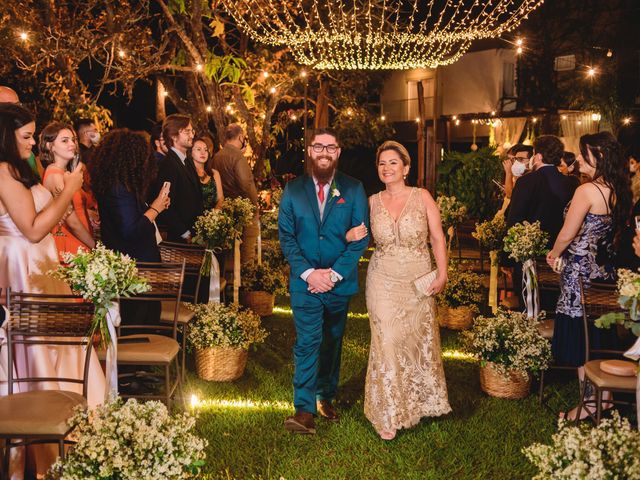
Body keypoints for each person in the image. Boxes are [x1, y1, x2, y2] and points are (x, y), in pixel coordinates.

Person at [0, 103, 105, 477]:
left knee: (65, 348)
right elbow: (31, 228)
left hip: (45, 272)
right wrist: (70, 190)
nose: (32, 143)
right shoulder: (2, 174)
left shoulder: (20, 171)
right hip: (24, 271)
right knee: (39, 355)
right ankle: (47, 450)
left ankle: (78, 429)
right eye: (26, 136)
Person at [278, 128, 369, 435]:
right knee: (307, 343)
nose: (325, 152)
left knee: (332, 340)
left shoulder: (354, 189)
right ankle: (303, 410)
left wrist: (331, 275)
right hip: (304, 284)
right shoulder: (292, 189)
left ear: (338, 152)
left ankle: (324, 395)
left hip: (337, 283)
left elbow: (359, 239)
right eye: (319, 146)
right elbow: (287, 237)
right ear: (310, 151)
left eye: (331, 147)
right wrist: (309, 274)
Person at [363, 140, 451, 440]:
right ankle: (387, 411)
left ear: (406, 167)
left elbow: (438, 238)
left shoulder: (422, 196)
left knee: (415, 341)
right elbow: (359, 236)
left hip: (417, 278)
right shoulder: (372, 201)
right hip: (382, 279)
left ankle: (420, 400)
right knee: (386, 340)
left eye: (393, 163)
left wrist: (442, 272)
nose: (386, 168)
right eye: (382, 164)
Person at [546, 131, 632, 421]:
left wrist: (554, 254)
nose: (579, 159)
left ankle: (590, 404)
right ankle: (603, 398)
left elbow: (568, 233)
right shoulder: (621, 190)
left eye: (584, 154)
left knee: (581, 337)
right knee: (598, 334)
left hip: (579, 274)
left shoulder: (586, 191)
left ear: (600, 157)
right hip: (604, 274)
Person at [507, 135, 577, 310]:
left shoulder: (526, 182)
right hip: (560, 256)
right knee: (555, 303)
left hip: (529, 257)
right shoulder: (570, 184)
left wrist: (507, 259)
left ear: (537, 156)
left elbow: (514, 220)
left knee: (529, 303)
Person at [90, 129, 169, 262]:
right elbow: (131, 231)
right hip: (135, 262)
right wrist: (155, 208)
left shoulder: (116, 184)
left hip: (131, 259)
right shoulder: (119, 190)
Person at [40, 122, 96, 258]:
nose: (72, 144)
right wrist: (96, 247)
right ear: (49, 146)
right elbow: (71, 222)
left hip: (80, 240)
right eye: (65, 141)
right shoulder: (54, 175)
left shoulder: (66, 173)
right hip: (70, 244)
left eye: (73, 140)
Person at [212, 123, 259, 263]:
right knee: (247, 249)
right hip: (242, 209)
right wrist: (254, 206)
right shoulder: (238, 157)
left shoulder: (217, 156)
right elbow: (246, 184)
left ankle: (229, 278)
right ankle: (246, 278)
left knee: (228, 250)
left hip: (223, 206)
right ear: (240, 137)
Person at [153, 114, 203, 242]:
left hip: (195, 233)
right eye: (187, 131)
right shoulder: (168, 165)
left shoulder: (188, 161)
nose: (192, 135)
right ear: (173, 136)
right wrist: (185, 233)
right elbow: (165, 205)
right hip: (180, 239)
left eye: (192, 131)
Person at [192, 136, 224, 210]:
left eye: (206, 150)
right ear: (190, 153)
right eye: (199, 149)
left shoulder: (214, 173)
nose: (203, 152)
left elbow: (221, 199)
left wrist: (214, 216)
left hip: (214, 218)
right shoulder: (187, 174)